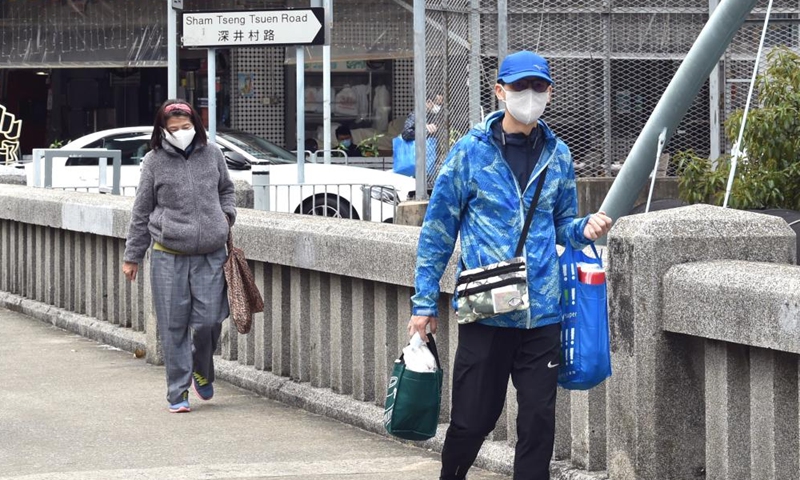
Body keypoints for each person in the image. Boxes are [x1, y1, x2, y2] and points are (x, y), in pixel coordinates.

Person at [407, 51, 613, 479]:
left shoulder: (558, 155)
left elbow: (560, 226)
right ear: (500, 91)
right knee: (472, 420)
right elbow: (437, 232)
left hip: (543, 312)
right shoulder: (469, 153)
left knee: (538, 422)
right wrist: (423, 303)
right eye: (520, 86)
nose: (529, 95)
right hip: (487, 311)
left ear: (550, 92)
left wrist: (582, 229)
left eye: (539, 87)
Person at [122, 99, 236, 414]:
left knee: (210, 320)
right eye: (174, 129)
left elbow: (227, 189)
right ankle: (178, 392)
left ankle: (202, 368)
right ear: (163, 131)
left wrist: (225, 216)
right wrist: (132, 255)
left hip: (211, 253)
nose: (181, 133)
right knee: (173, 326)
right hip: (167, 255)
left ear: (195, 127)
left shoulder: (212, 154)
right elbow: (141, 210)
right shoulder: (154, 161)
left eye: (186, 127)